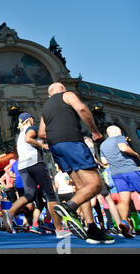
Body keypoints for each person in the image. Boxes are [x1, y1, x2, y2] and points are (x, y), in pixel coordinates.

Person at [38, 82, 114, 244]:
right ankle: (69, 208)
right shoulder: (67, 95)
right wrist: (94, 131)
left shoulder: (45, 108)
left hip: (56, 148)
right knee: (96, 184)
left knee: (82, 187)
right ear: (62, 89)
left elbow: (41, 133)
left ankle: (92, 229)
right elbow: (82, 109)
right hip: (72, 142)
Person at [1, 112, 68, 238]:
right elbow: (29, 138)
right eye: (33, 118)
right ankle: (59, 229)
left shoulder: (20, 134)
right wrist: (43, 145)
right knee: (50, 195)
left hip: (23, 166)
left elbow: (26, 139)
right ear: (30, 119)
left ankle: (10, 213)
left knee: (29, 194)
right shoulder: (32, 128)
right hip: (35, 162)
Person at [100, 125, 140, 238]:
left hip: (116, 174)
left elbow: (104, 161)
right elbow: (123, 148)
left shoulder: (103, 144)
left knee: (124, 199)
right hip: (130, 170)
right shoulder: (119, 137)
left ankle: (123, 221)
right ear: (119, 131)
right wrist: (135, 154)